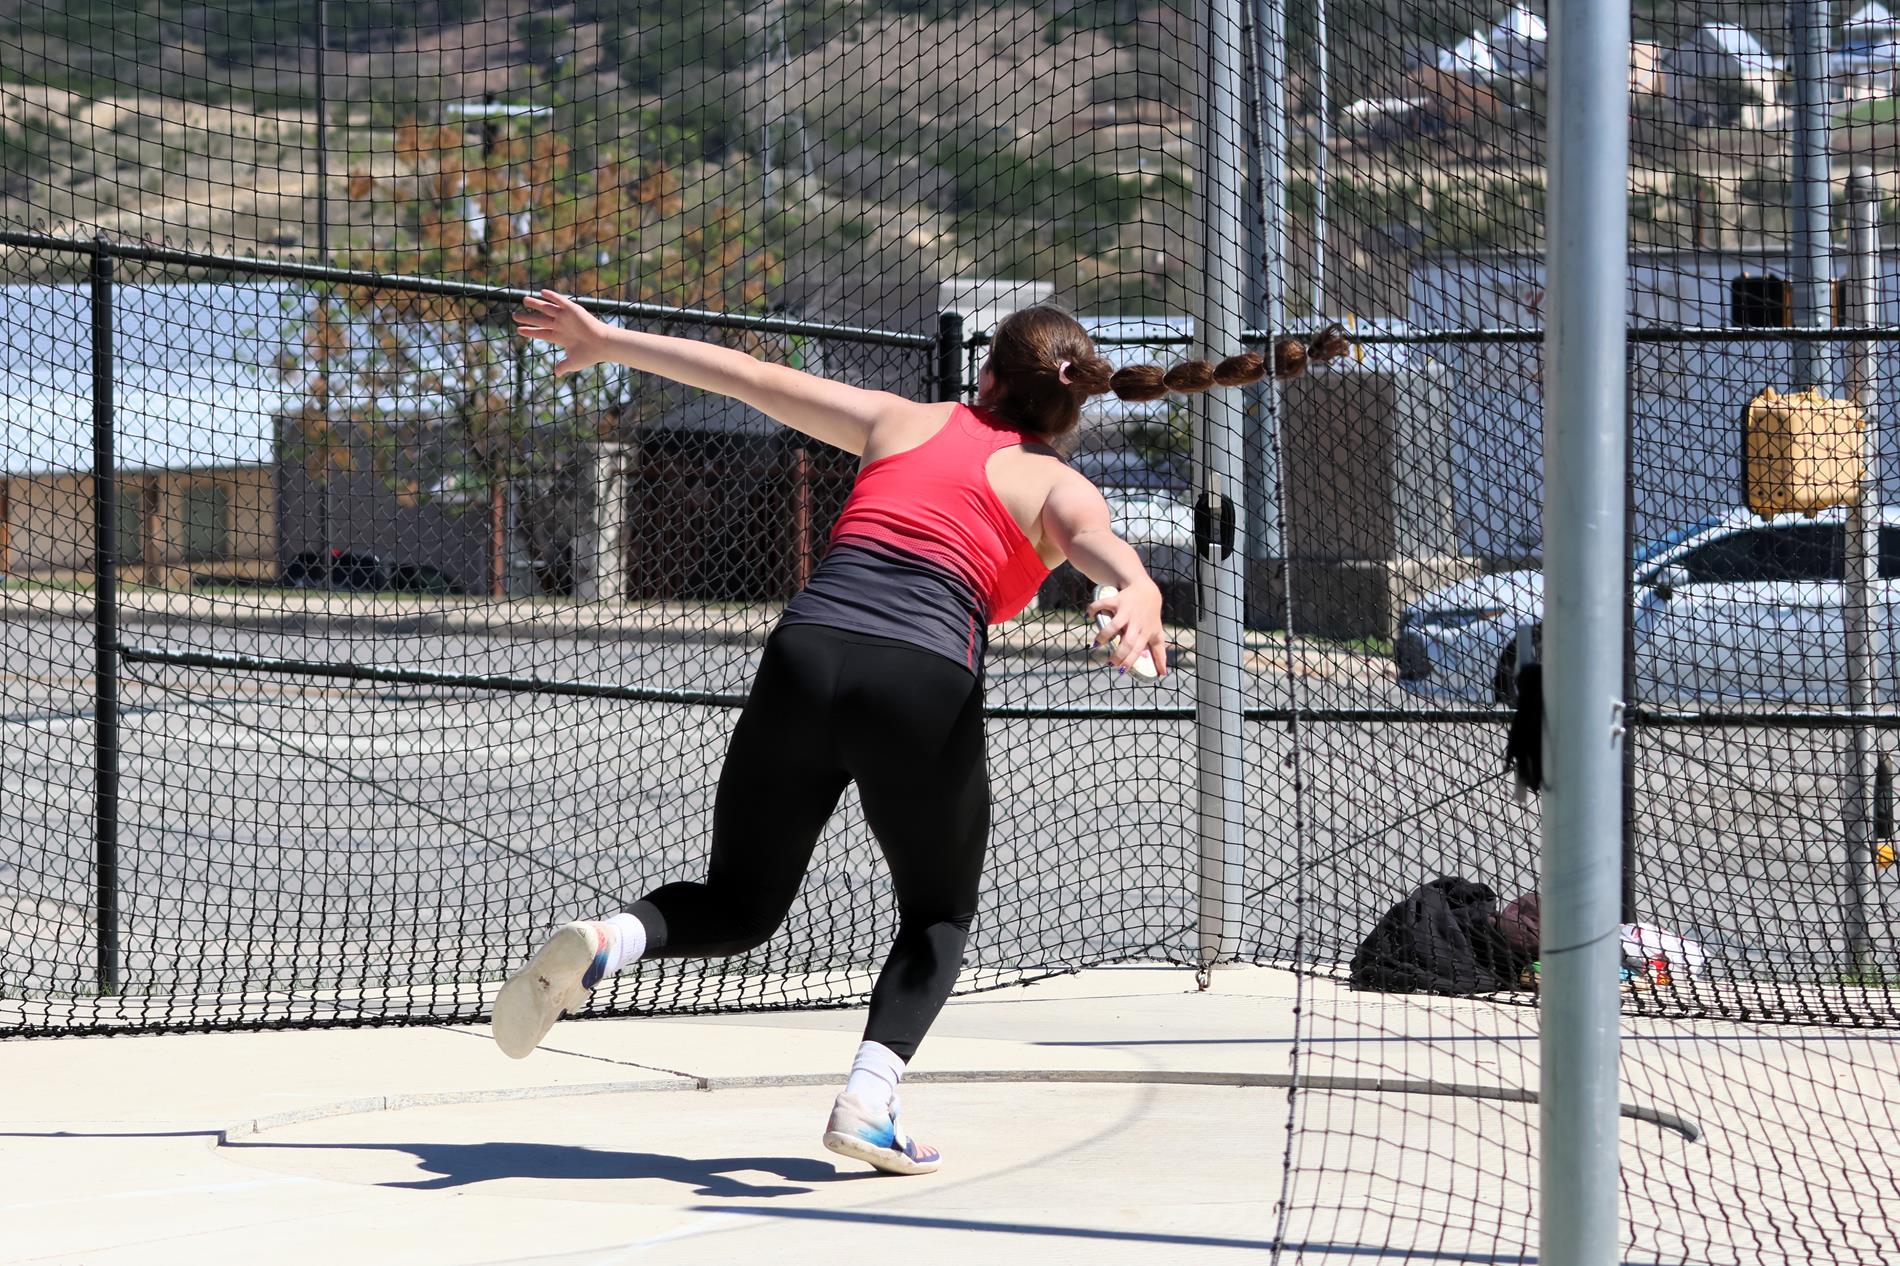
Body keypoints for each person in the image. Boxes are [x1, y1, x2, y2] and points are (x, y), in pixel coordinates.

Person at [493, 291, 1346, 1175]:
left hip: (805, 651)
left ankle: (607, 941)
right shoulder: (1057, 481)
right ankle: (867, 1100)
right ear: (1072, 403)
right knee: (938, 912)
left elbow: (749, 377)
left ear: (985, 379)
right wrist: (1141, 588)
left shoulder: (905, 420)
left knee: (742, 903)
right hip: (920, 676)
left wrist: (606, 341)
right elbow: (1096, 542)